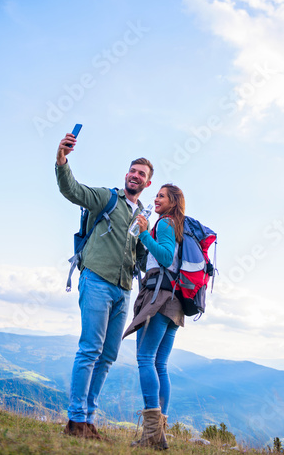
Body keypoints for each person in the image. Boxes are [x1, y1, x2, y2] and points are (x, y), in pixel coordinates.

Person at [55, 131, 153, 439]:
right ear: (127, 175)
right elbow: (73, 190)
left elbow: (139, 259)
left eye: (142, 175)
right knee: (90, 350)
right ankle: (75, 421)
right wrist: (62, 159)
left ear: (147, 183)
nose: (136, 176)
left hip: (123, 291)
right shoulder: (106, 197)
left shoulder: (141, 216)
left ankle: (88, 421)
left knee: (108, 356)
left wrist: (148, 238)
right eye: (133, 171)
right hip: (96, 280)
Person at [123, 184, 185, 450]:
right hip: (176, 303)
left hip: (159, 297)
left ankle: (151, 435)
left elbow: (165, 255)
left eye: (161, 196)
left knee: (145, 359)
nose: (156, 199)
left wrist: (145, 233)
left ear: (173, 201)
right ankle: (158, 435)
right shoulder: (179, 225)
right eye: (156, 195)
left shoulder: (166, 223)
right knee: (161, 365)